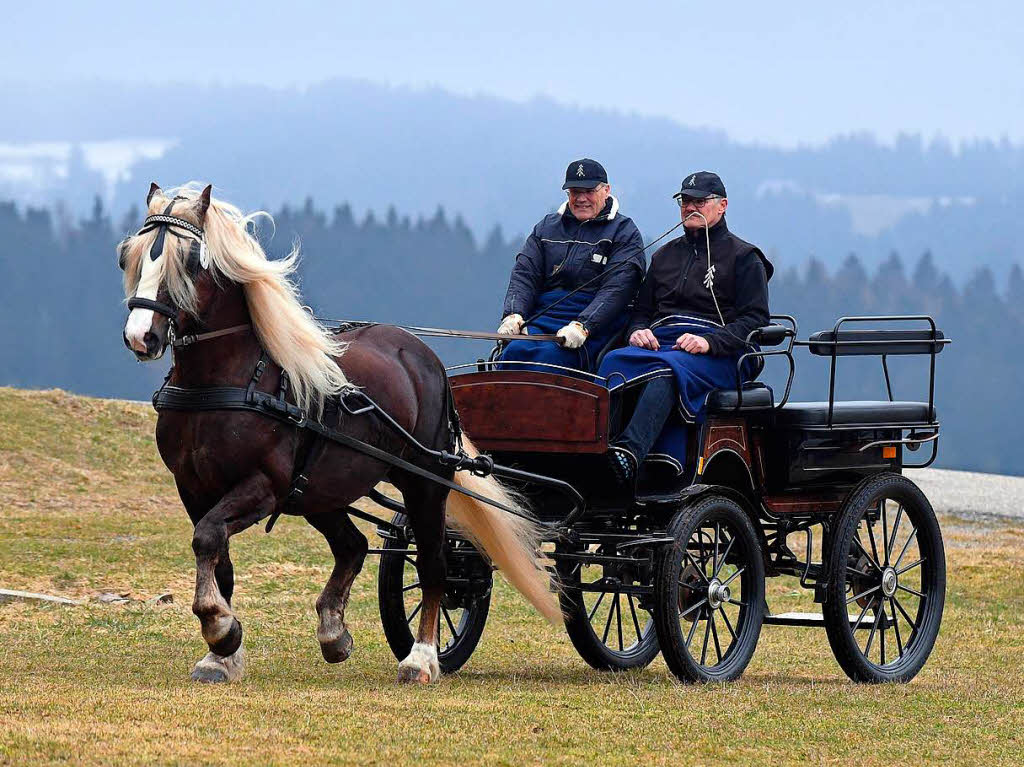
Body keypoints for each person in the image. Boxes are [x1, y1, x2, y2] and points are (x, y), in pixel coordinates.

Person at [597, 171, 773, 487]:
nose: (690, 207)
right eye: (685, 200)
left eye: (700, 201)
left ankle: (630, 453)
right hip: (664, 343)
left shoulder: (745, 257)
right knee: (612, 362)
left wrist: (710, 341)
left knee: (667, 370)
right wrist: (638, 331)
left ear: (722, 206)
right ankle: (599, 450)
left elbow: (755, 319)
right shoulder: (664, 256)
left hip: (724, 354)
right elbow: (641, 312)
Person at [497, 158, 646, 373]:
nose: (581, 198)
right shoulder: (546, 228)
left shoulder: (624, 232)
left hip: (596, 326)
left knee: (549, 359)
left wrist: (584, 326)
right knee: (513, 354)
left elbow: (618, 288)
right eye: (575, 191)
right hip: (543, 316)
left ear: (606, 190)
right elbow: (525, 273)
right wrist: (514, 314)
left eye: (589, 191)